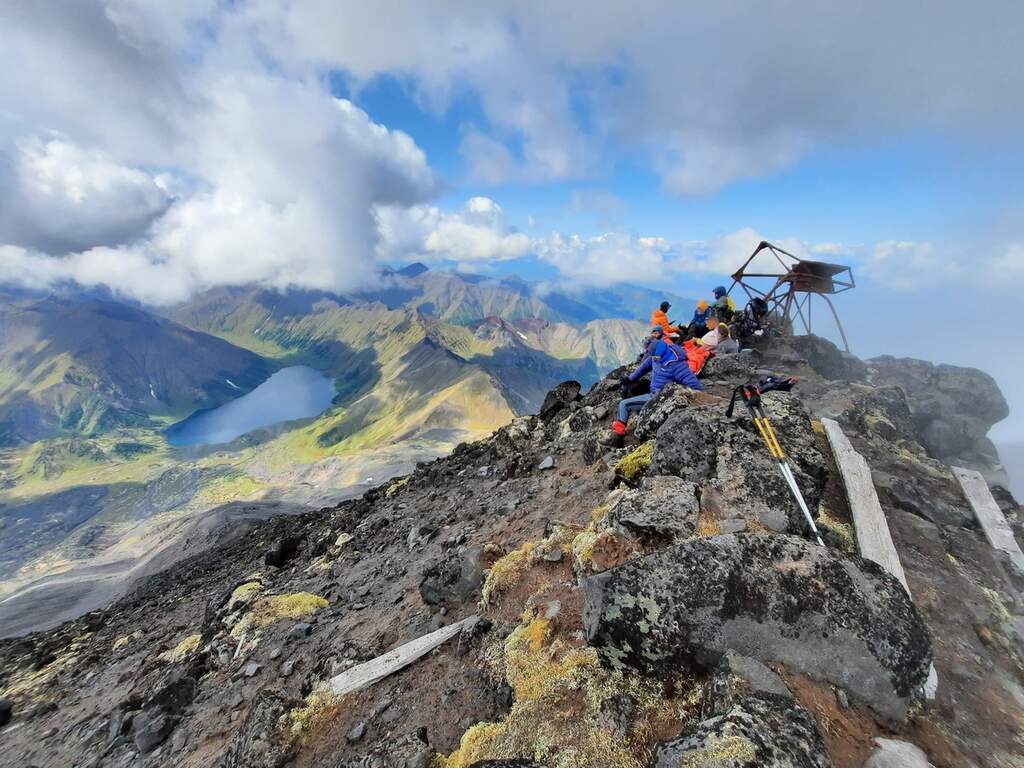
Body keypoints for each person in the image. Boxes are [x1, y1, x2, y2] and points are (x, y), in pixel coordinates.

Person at [601, 334, 704, 447]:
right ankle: (640, 415)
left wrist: (681, 394)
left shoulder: (677, 365)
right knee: (630, 387)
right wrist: (629, 379)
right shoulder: (657, 357)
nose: (652, 357)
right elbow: (643, 368)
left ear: (660, 353)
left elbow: (696, 386)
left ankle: (616, 439)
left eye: (653, 355)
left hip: (659, 398)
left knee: (624, 404)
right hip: (654, 391)